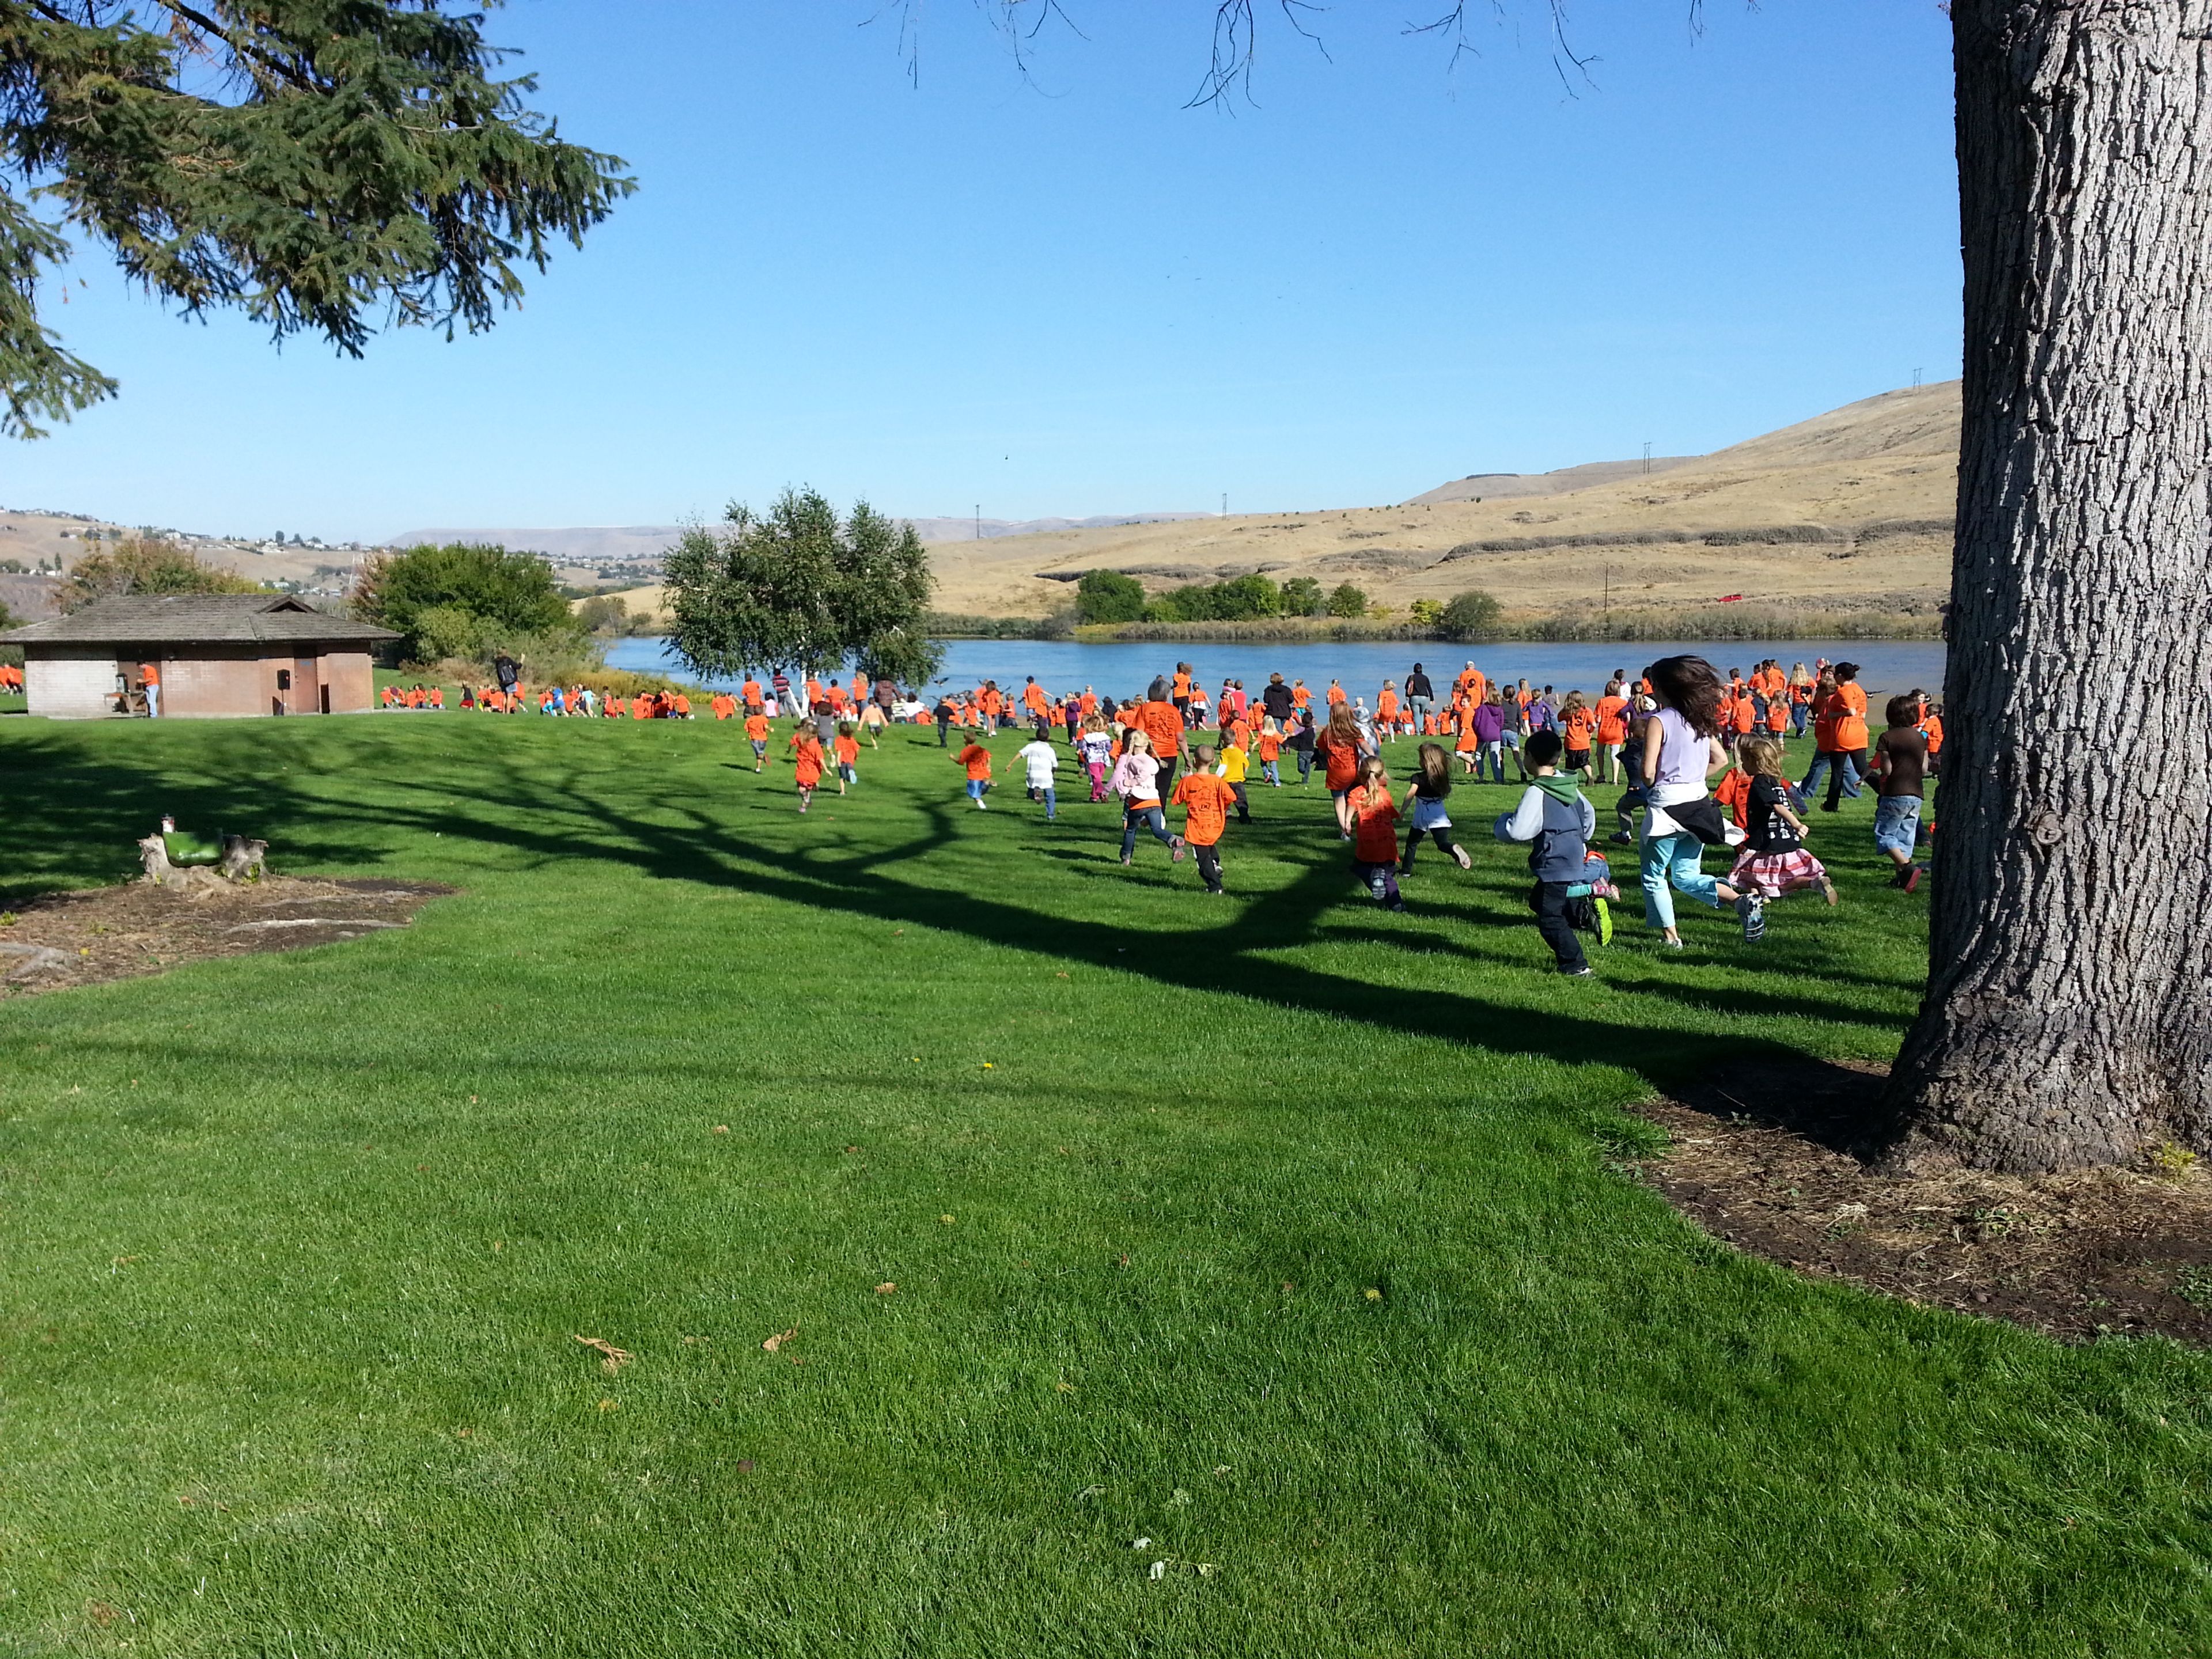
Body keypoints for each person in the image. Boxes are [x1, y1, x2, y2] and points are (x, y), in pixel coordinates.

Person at [1637, 655, 1754, 947]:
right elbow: (1722, 759)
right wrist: (1692, 777)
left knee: (1654, 876)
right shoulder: (1699, 721)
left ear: (1663, 689)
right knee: (1687, 875)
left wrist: (1655, 782)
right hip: (1698, 806)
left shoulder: (1659, 720)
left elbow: (1649, 772)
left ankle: (1671, 938)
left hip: (1666, 809)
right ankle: (1740, 902)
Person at [1492, 729, 1608, 975]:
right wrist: (1582, 837)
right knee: (1539, 900)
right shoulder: (1568, 784)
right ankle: (1581, 914)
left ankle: (1576, 964)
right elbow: (1588, 814)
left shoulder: (1539, 790)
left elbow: (1519, 830)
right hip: (1573, 854)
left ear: (1531, 758)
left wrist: (1502, 823)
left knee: (1549, 919)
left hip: (1555, 860)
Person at [1728, 733, 1836, 914]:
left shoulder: (1760, 783)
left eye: (1745, 761)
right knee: (1787, 879)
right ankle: (1814, 883)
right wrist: (1800, 815)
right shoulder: (1774, 781)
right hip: (1786, 837)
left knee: (1745, 871)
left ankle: (1758, 899)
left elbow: (1777, 806)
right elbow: (1792, 797)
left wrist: (1797, 824)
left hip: (1766, 839)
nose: (1743, 765)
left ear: (1754, 761)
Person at [1868, 694, 1929, 890]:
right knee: (1906, 835)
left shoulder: (1887, 737)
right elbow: (1924, 769)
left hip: (1895, 792)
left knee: (1884, 833)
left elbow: (1887, 770)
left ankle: (1907, 867)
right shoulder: (1920, 737)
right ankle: (1903, 878)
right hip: (1916, 793)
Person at [1171, 745, 1238, 894]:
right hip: (1215, 823)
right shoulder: (1219, 781)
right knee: (1208, 846)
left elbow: (1176, 800)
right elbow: (1232, 797)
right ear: (1213, 761)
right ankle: (1215, 864)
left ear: (1194, 761)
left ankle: (1215, 886)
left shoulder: (1188, 782)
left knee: (1202, 859)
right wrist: (1223, 806)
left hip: (1197, 825)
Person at [1111, 729, 1183, 865]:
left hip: (1139, 802)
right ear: (1146, 745)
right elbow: (1152, 771)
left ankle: (1126, 856)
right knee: (1157, 830)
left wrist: (1130, 784)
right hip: (1154, 801)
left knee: (1131, 829)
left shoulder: (1134, 760)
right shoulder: (1151, 760)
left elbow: (1142, 774)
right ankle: (1172, 840)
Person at [1399, 741, 1472, 874]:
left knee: (1412, 843)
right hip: (1439, 814)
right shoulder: (1442, 778)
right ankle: (1452, 848)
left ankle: (1405, 872)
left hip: (1423, 815)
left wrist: (1402, 811)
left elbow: (1410, 794)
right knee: (1442, 843)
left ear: (1426, 761)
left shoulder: (1418, 778)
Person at [1806, 662, 1870, 811]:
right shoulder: (1859, 690)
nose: (1834, 678)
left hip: (1843, 736)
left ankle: (1831, 804)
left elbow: (1851, 711)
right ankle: (1884, 790)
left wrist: (1833, 715)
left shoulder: (1844, 692)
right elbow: (1862, 714)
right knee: (1862, 769)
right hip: (1859, 734)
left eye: (1835, 675)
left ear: (1841, 676)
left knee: (1837, 771)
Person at [1346, 756, 1406, 911]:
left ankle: (1373, 878)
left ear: (1360, 775)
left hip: (1368, 840)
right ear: (1382, 774)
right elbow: (1393, 815)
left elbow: (1348, 818)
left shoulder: (1356, 793)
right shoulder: (1385, 794)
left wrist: (1347, 826)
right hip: (1387, 841)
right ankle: (1396, 903)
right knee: (1387, 874)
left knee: (1359, 867)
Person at [1315, 703, 1366, 838]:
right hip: (1353, 770)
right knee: (1354, 797)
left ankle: (1345, 830)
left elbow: (1321, 749)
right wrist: (1372, 757)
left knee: (1339, 801)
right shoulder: (1353, 730)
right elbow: (1364, 745)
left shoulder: (1328, 732)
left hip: (1336, 772)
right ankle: (1353, 822)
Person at [1016, 724, 1060, 821]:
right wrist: (1052, 773)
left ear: (1036, 736)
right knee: (1050, 796)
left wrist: (1010, 765)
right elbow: (1055, 765)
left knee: (1031, 790)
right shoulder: (1050, 750)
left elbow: (1020, 753)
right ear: (1048, 737)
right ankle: (1050, 815)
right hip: (1046, 776)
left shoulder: (1031, 746)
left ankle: (1034, 795)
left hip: (1033, 775)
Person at [1594, 679, 1631, 784]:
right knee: (1614, 755)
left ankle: (1601, 775)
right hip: (1616, 731)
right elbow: (1628, 718)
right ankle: (1615, 779)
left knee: (1600, 753)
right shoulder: (1623, 702)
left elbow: (1598, 720)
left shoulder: (1602, 701)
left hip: (1604, 731)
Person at [1214, 729, 1254, 823]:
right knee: (1241, 800)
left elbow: (1223, 766)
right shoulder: (1239, 752)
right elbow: (1247, 765)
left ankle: (1227, 813)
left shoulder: (1224, 752)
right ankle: (1245, 816)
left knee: (1224, 798)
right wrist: (1243, 774)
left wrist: (1217, 777)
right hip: (1239, 781)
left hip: (1227, 781)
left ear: (1223, 741)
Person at [1078, 715, 1115, 802]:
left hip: (1092, 759)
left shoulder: (1088, 737)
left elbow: (1083, 748)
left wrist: (1086, 754)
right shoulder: (1105, 737)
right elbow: (1109, 747)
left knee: (1096, 778)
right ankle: (1094, 796)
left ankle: (1101, 793)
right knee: (1098, 777)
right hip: (1103, 759)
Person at [790, 724, 825, 814]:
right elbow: (821, 758)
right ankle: (805, 804)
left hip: (807, 769)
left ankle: (805, 801)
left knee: (802, 789)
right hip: (807, 769)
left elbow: (821, 758)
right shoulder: (807, 741)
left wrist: (826, 769)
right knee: (805, 788)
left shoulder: (810, 743)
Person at [1559, 691, 1594, 774]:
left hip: (1571, 743)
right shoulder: (1587, 711)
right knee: (1585, 762)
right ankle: (1590, 776)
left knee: (1570, 765)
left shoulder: (1567, 712)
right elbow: (1594, 724)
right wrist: (1590, 732)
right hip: (1584, 743)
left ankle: (1571, 779)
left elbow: (1559, 718)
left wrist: (1565, 709)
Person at [1286, 705, 1317, 785]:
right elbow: (1294, 734)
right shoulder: (1306, 729)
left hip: (1308, 750)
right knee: (1301, 768)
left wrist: (1287, 735)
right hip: (1305, 750)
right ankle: (1304, 773)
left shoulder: (1306, 729)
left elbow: (1294, 734)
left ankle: (1305, 781)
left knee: (1306, 767)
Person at [1405, 662, 1434, 733]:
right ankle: (1421, 728)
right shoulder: (1425, 678)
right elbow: (1429, 688)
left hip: (1414, 697)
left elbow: (1407, 687)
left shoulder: (1411, 677)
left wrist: (1407, 695)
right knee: (1421, 713)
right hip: (1424, 697)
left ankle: (1417, 731)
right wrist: (1432, 699)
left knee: (1416, 715)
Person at [832, 722, 861, 795]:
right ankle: (850, 773)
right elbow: (857, 749)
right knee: (849, 773)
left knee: (842, 778)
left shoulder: (838, 739)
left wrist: (838, 760)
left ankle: (842, 792)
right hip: (850, 760)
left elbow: (839, 751)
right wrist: (857, 756)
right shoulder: (851, 739)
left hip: (842, 760)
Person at [1256, 717, 1284, 787]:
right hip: (1273, 753)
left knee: (1263, 764)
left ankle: (1267, 773)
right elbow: (1281, 740)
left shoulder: (1263, 733)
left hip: (1265, 752)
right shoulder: (1275, 733)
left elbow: (1258, 740)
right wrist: (1287, 737)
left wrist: (1254, 745)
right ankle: (1277, 782)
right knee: (1274, 768)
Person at [743, 707, 771, 771]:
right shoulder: (764, 719)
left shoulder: (750, 719)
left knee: (758, 753)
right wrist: (770, 729)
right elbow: (766, 726)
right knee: (760, 752)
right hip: (763, 738)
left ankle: (762, 759)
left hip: (754, 738)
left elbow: (746, 729)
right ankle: (758, 768)